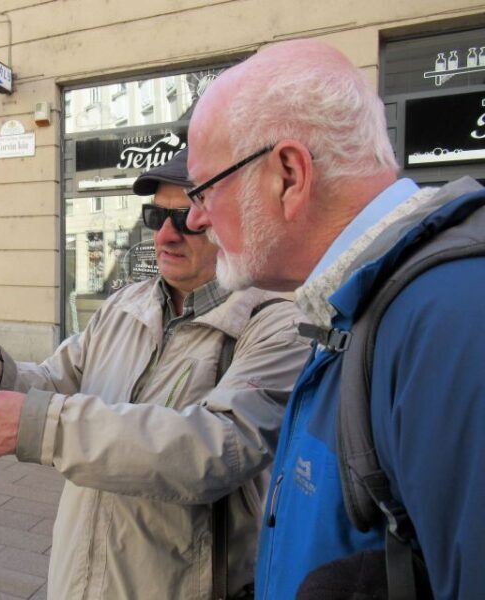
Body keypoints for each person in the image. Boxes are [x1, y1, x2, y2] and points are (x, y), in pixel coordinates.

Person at [0, 149, 309, 599]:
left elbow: (215, 449)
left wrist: (42, 425)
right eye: (155, 216)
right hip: (81, 578)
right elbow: (60, 378)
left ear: (232, 221)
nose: (165, 236)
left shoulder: (279, 324)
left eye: (186, 217)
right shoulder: (125, 304)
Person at [184, 38, 485, 599]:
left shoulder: (449, 319)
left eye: (204, 189)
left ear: (289, 175)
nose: (196, 218)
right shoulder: (363, 304)